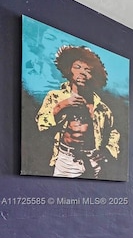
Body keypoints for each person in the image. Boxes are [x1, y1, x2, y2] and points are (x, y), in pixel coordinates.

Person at [35, 45, 119, 179]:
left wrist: (107, 151)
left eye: (88, 70)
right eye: (77, 67)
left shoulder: (101, 107)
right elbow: (41, 124)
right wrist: (62, 105)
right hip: (66, 160)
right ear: (69, 69)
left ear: (93, 76)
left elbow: (113, 132)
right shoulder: (55, 97)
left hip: (93, 160)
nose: (82, 73)